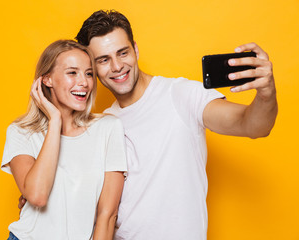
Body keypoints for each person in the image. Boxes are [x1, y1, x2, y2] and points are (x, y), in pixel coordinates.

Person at [73, 10, 278, 240]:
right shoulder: (104, 124)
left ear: (136, 49)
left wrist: (266, 95)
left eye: (123, 53)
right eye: (104, 59)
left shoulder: (180, 94)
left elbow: (252, 126)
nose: (117, 66)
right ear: (93, 67)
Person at [1, 39, 127, 240]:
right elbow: (37, 196)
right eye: (72, 73)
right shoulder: (21, 132)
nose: (84, 82)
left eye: (88, 73)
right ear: (47, 79)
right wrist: (55, 121)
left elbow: (108, 214)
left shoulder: (108, 128)